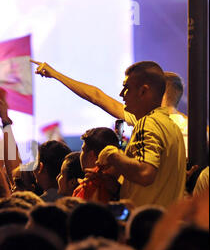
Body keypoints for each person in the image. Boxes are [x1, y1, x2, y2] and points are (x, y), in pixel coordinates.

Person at [32, 60, 186, 208]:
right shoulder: (171, 128)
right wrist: (112, 185)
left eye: (127, 88)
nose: (121, 94)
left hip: (147, 228)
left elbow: (145, 174)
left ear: (143, 91)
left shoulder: (148, 123)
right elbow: (96, 96)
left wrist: (113, 155)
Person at [72, 127, 120, 203]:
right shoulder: (123, 184)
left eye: (83, 150)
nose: (80, 155)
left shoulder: (90, 186)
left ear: (91, 155)